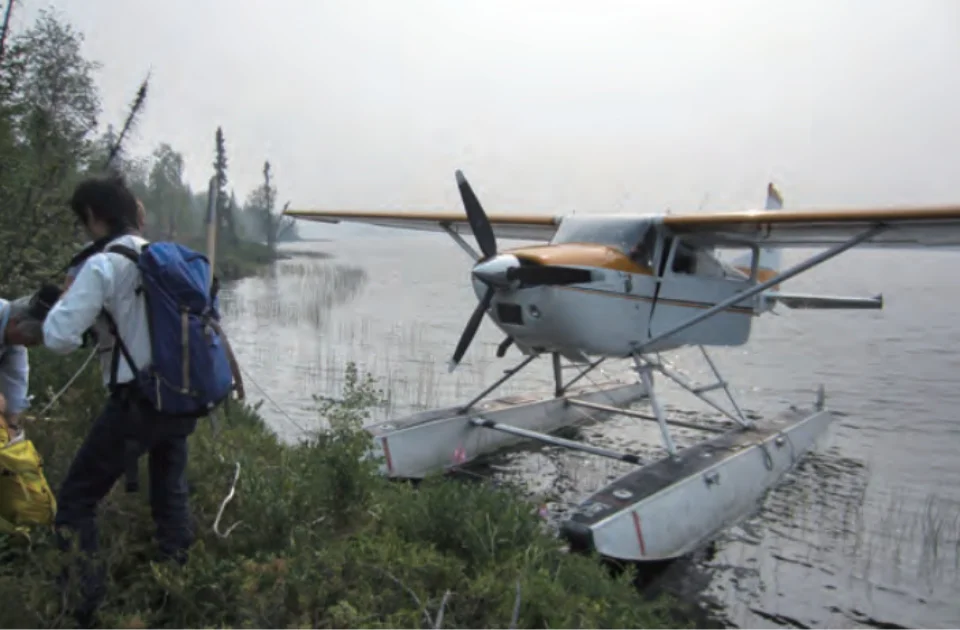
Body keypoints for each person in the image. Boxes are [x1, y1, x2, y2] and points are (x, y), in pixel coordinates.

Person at [33, 176, 197, 626]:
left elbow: (59, 337)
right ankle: (176, 596)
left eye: (82, 220)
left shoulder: (104, 265)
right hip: (180, 396)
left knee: (75, 502)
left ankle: (82, 606)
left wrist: (64, 305)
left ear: (92, 216)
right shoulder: (159, 256)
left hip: (135, 401)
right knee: (171, 498)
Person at [0, 296, 31, 443]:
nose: (31, 346)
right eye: (31, 339)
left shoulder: (15, 340)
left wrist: (11, 428)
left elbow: (16, 379)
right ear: (15, 323)